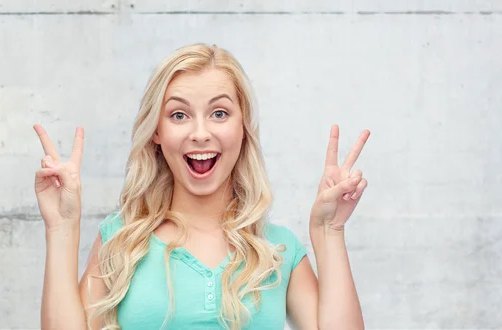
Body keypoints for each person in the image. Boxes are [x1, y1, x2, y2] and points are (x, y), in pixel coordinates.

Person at [33, 43, 369, 330]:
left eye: (219, 113)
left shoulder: (279, 251)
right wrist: (61, 228)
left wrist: (330, 229)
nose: (200, 133)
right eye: (179, 115)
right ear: (157, 132)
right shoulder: (120, 241)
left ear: (243, 127)